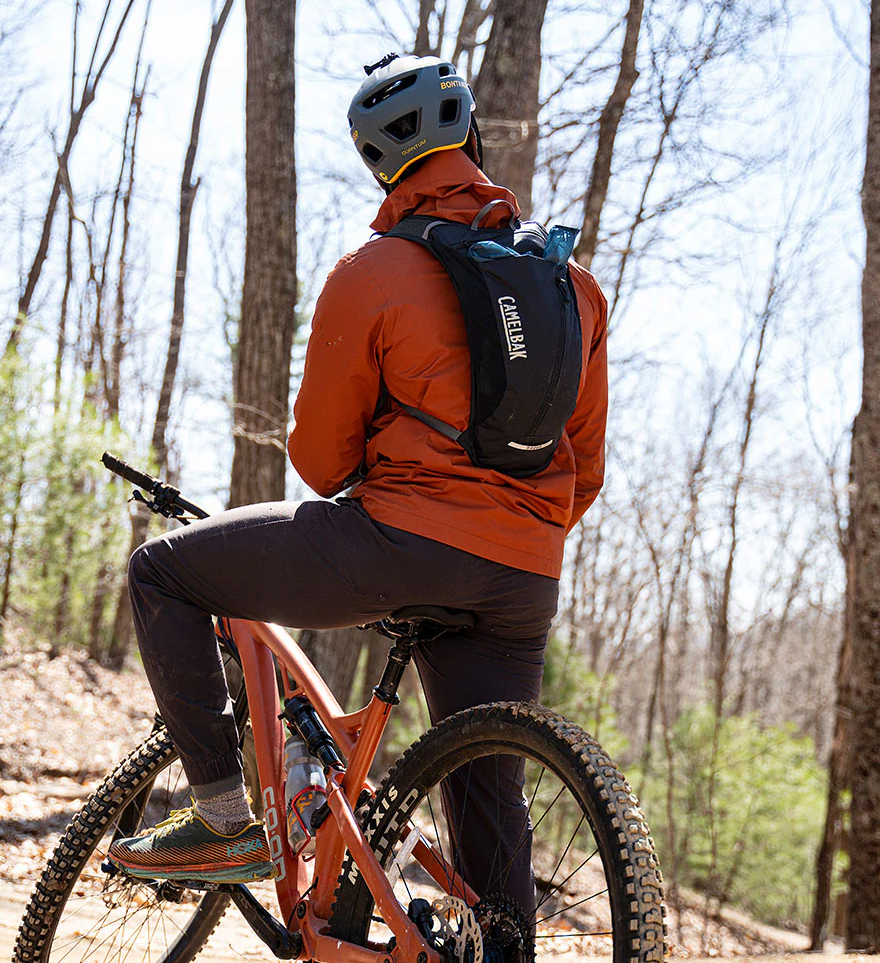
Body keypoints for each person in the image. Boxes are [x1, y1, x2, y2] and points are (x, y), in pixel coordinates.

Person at [108, 54, 608, 894]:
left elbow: (320, 463)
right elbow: (582, 468)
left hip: (398, 546)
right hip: (525, 574)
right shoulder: (576, 289)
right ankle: (501, 945)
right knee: (488, 805)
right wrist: (505, 534)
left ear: (380, 166)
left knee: (160, 570)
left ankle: (224, 821)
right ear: (471, 134)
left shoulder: (370, 274)